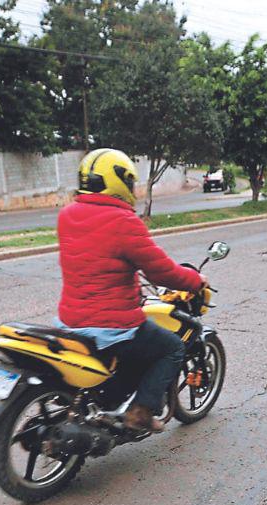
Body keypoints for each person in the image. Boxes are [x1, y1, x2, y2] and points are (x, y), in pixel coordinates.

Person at [55, 148, 206, 433]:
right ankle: (141, 412)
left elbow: (96, 262)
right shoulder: (123, 222)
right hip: (111, 325)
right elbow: (161, 271)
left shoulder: (67, 215)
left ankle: (110, 398)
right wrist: (195, 280)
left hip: (70, 322)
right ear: (119, 181)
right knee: (172, 348)